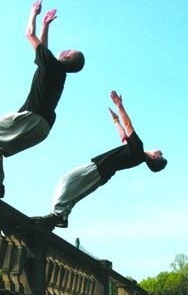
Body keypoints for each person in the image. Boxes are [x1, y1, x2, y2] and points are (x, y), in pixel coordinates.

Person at [0, 0, 85, 198]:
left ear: (67, 56)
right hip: (43, 128)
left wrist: (33, 13)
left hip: (33, 117)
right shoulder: (57, 72)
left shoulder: (52, 65)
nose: (65, 49)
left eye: (69, 51)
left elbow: (29, 35)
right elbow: (43, 48)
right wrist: (46, 25)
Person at [34, 90, 167, 229]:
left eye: (161, 155)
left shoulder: (138, 150)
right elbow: (124, 138)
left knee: (66, 181)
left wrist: (119, 105)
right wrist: (116, 120)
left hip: (99, 169)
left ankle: (59, 216)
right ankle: (61, 216)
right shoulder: (136, 153)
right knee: (74, 191)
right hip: (101, 172)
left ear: (154, 157)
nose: (161, 152)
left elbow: (128, 126)